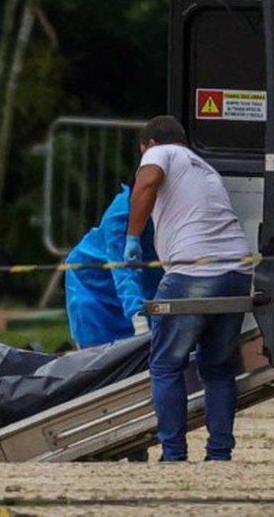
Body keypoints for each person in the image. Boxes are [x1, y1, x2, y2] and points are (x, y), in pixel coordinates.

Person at [125, 115, 253, 462]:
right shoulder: (204, 166)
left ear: (149, 144)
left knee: (166, 365)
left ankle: (174, 454)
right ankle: (219, 454)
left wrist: (133, 237)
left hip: (193, 274)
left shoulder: (159, 153)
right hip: (238, 274)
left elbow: (147, 183)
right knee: (218, 367)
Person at [64, 184, 162, 349]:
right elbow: (123, 271)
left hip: (143, 282)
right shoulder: (119, 216)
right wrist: (138, 319)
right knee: (98, 354)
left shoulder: (169, 207)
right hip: (92, 284)